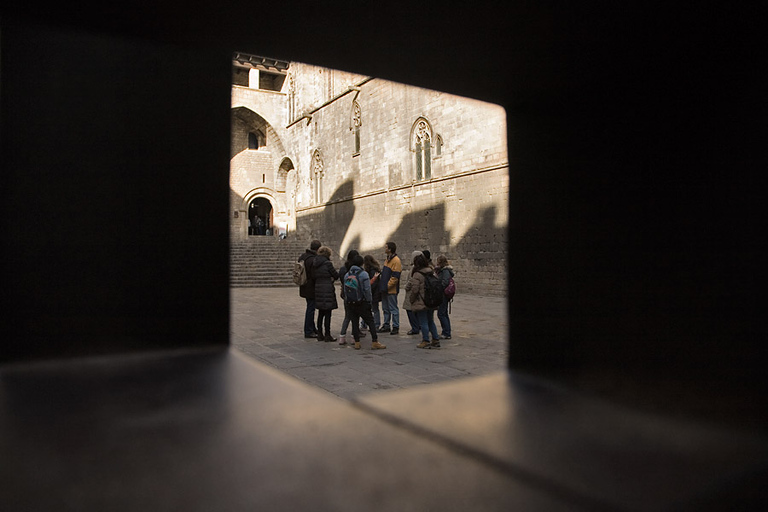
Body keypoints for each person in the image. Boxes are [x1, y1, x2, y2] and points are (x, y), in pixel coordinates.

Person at [344, 254, 387, 350]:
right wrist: (369, 301)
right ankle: (375, 341)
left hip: (351, 302)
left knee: (354, 322)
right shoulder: (363, 274)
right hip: (362, 302)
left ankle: (357, 343)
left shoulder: (347, 274)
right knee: (370, 321)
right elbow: (367, 289)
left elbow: (345, 290)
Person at [406, 253, 441, 349]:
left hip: (421, 301)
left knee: (423, 321)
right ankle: (435, 339)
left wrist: (412, 300)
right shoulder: (431, 271)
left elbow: (415, 290)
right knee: (431, 321)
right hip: (431, 300)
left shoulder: (417, 274)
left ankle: (425, 340)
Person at [312, 246, 339, 342]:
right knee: (328, 313)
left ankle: (320, 334)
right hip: (327, 288)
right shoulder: (328, 264)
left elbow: (313, 276)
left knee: (320, 313)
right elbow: (336, 275)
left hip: (318, 288)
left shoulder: (314, 263)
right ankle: (327, 334)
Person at [338, 249, 364, 345]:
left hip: (346, 295)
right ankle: (354, 336)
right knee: (355, 317)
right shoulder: (358, 271)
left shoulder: (343, 269)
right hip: (356, 296)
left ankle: (342, 336)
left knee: (347, 316)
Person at [298, 240, 321, 338]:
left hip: (304, 285)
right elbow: (314, 274)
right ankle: (308, 331)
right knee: (311, 308)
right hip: (311, 287)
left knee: (310, 307)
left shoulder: (303, 256)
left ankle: (312, 328)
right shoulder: (313, 259)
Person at [378, 241, 402, 335]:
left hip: (391, 289)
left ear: (390, 249)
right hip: (384, 289)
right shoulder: (387, 260)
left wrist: (387, 286)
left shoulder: (396, 261)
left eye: (386, 247)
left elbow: (395, 276)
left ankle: (395, 326)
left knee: (393, 308)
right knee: (385, 308)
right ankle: (386, 324)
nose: (385, 249)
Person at [401, 250, 423, 336]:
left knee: (410, 310)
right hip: (419, 292)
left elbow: (411, 280)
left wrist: (406, 287)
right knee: (416, 310)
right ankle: (419, 325)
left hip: (412, 292)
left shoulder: (414, 268)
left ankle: (415, 328)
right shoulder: (423, 267)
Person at [434, 254, 455, 340]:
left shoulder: (445, 271)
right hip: (443, 294)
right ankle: (446, 331)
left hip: (443, 295)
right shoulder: (442, 270)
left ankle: (446, 332)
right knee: (443, 313)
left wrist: (439, 288)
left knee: (441, 314)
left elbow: (445, 282)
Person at [362, 254, 382, 332]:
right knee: (369, 309)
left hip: (373, 293)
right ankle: (365, 324)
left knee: (373, 309)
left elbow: (373, 283)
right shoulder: (374, 269)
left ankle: (375, 324)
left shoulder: (372, 271)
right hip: (374, 293)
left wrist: (368, 291)